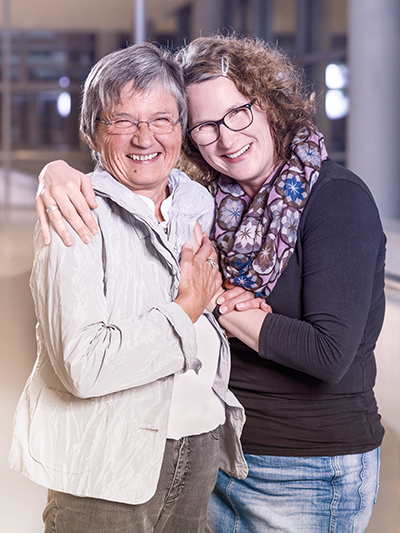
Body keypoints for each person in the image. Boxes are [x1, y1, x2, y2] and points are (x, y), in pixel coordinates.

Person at [34, 35, 386, 533]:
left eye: (237, 113)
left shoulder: (335, 198)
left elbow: (328, 354)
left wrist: (219, 307)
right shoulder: (205, 203)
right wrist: (56, 171)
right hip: (220, 457)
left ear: (268, 104)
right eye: (205, 126)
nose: (226, 137)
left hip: (305, 468)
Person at [9, 42, 252, 533]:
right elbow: (85, 367)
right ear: (91, 133)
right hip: (107, 466)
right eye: (123, 121)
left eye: (162, 119)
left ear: (181, 128)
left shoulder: (197, 202)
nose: (145, 137)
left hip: (199, 448)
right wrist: (187, 308)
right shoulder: (75, 213)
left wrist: (223, 302)